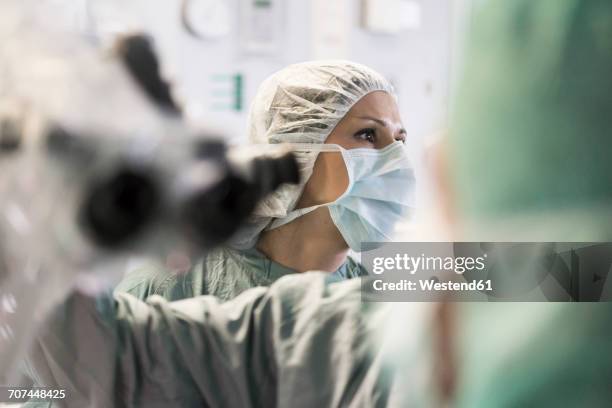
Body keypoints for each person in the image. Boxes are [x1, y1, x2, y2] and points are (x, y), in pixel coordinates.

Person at [21, 0, 612, 406]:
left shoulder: (418, 288)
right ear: (295, 156)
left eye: (403, 140)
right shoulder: (468, 285)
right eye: (369, 137)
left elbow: (96, 365)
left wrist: (40, 214)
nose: (401, 161)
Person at [116, 60, 415, 301]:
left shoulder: (374, 305)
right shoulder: (168, 291)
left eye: (400, 139)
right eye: (367, 135)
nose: (396, 157)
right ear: (298, 150)